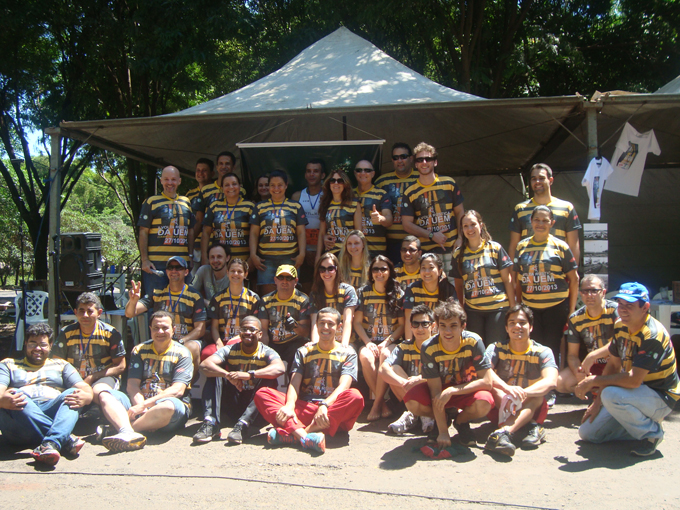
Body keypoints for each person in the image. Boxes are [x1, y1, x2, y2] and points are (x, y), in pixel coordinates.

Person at [577, 283, 680, 457]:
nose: (623, 310)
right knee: (588, 433)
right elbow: (613, 365)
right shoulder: (620, 325)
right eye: (620, 304)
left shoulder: (652, 335)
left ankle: (652, 434)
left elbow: (633, 380)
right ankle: (639, 427)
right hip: (633, 395)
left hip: (661, 396)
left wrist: (594, 380)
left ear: (645, 307)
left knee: (611, 394)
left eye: (629, 305)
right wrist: (597, 402)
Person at [254, 308, 365, 454]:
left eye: (330, 324)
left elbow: (344, 386)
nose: (325, 327)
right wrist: (289, 405)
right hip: (304, 408)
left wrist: (324, 405)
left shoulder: (348, 353)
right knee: (263, 394)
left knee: (355, 396)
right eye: (322, 323)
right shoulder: (304, 351)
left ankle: (296, 434)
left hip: (330, 412)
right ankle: (306, 438)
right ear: (316, 325)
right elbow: (294, 383)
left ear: (339, 327)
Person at [96, 311, 194, 452]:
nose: (160, 332)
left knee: (168, 407)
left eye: (165, 328)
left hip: (167, 408)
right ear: (150, 329)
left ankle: (124, 430)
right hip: (138, 404)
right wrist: (141, 408)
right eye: (156, 328)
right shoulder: (140, 350)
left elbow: (177, 390)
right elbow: (132, 385)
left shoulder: (183, 353)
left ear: (173, 329)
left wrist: (144, 407)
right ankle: (132, 431)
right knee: (105, 395)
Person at [403, 300, 494, 448]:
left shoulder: (474, 341)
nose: (447, 332)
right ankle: (442, 420)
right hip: (440, 390)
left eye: (453, 326)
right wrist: (443, 432)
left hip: (464, 388)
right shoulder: (429, 347)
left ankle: (461, 421)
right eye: (443, 326)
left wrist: (452, 390)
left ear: (463, 326)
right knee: (411, 400)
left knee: (484, 402)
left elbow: (487, 382)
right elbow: (435, 391)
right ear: (437, 326)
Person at [0, 323, 93, 465]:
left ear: (50, 346)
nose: (37, 348)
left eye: (43, 344)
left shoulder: (61, 365)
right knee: (15, 393)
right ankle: (63, 438)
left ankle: (50, 444)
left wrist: (87, 397)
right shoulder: (8, 364)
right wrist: (2, 400)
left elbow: (84, 388)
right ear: (25, 344)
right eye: (32, 343)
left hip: (51, 410)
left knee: (74, 393)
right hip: (20, 424)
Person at [194, 316, 286, 445]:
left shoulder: (267, 351)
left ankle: (243, 426)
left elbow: (280, 368)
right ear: (239, 333)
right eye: (244, 329)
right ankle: (211, 423)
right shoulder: (230, 349)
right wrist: (228, 375)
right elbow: (205, 365)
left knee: (268, 382)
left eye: (252, 330)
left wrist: (249, 375)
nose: (247, 332)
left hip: (255, 410)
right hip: (234, 400)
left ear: (260, 334)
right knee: (214, 374)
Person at [483, 304, 558, 457]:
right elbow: (484, 371)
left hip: (530, 404)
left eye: (522, 323)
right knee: (490, 386)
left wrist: (522, 393)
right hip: (502, 404)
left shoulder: (543, 351)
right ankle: (532, 428)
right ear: (506, 328)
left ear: (531, 327)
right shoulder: (496, 348)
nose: (517, 326)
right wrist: (507, 390)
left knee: (538, 395)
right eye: (512, 323)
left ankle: (503, 433)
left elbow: (551, 381)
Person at [513, 205, 579, 366]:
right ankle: (536, 378)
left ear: (552, 223)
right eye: (537, 220)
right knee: (533, 347)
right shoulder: (521, 246)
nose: (540, 224)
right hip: (530, 308)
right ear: (531, 221)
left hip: (556, 308)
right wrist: (519, 305)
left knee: (552, 347)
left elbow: (574, 279)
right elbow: (518, 280)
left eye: (545, 220)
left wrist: (571, 310)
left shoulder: (561, 246)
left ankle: (552, 380)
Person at [125, 256, 205, 380]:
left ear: (186, 272)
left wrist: (181, 341)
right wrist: (133, 301)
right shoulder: (157, 293)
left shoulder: (195, 296)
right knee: (138, 349)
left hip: (185, 340)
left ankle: (185, 385)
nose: (174, 271)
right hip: (162, 337)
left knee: (192, 347)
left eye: (178, 268)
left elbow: (200, 329)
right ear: (166, 272)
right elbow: (130, 313)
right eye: (170, 268)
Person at [401, 142, 465, 279]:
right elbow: (406, 224)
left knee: (456, 288)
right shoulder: (409, 192)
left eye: (428, 159)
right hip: (426, 253)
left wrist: (461, 238)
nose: (424, 163)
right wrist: (431, 235)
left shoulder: (449, 183)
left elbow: (460, 212)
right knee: (431, 290)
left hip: (453, 248)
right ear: (415, 164)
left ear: (435, 162)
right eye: (420, 160)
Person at [52, 292, 126, 408]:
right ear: (75, 312)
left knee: (99, 393)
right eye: (81, 311)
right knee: (66, 395)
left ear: (99, 313)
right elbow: (56, 363)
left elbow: (120, 366)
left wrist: (93, 377)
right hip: (73, 379)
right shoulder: (66, 332)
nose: (85, 315)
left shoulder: (111, 333)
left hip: (101, 378)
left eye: (90, 311)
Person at [354, 255, 405, 421]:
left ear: (390, 271)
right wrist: (368, 342)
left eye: (384, 269)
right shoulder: (363, 292)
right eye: (376, 269)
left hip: (391, 341)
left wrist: (386, 342)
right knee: (365, 356)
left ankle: (376, 405)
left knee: (385, 355)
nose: (379, 272)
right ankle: (382, 402)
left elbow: (402, 326)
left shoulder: (398, 293)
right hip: (369, 340)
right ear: (371, 272)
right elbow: (357, 323)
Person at [451, 210, 515, 343]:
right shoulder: (458, 254)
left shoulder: (495, 248)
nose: (470, 229)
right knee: (477, 349)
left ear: (481, 225)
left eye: (473, 224)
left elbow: (507, 280)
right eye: (465, 226)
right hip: (473, 311)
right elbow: (459, 286)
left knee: (494, 348)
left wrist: (513, 309)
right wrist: (461, 310)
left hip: (498, 309)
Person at [137, 165, 195, 298]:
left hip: (181, 264)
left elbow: (190, 231)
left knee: (182, 302)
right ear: (161, 181)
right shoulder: (151, 202)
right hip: (157, 265)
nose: (170, 183)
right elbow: (143, 231)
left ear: (179, 181)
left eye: (173, 179)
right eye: (166, 179)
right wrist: (144, 260)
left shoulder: (186, 202)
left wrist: (190, 256)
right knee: (156, 303)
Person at [380, 304, 436, 435]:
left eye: (425, 324)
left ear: (433, 326)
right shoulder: (404, 347)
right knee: (393, 368)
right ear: (410, 326)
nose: (420, 328)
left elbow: (445, 374)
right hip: (410, 392)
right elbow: (383, 370)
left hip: (432, 394)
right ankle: (418, 414)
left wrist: (419, 379)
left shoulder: (439, 346)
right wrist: (405, 383)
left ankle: (415, 415)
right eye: (416, 324)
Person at [556, 275, 618, 395]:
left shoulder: (615, 311)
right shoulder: (575, 318)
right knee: (560, 383)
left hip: (615, 364)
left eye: (594, 291)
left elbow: (620, 342)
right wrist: (578, 372)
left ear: (603, 292)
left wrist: (593, 356)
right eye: (585, 291)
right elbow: (572, 355)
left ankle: (602, 394)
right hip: (593, 366)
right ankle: (596, 392)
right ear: (580, 294)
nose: (589, 295)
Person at [250, 170, 308, 296]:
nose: (276, 188)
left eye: (280, 185)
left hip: (290, 258)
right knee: (268, 299)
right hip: (265, 261)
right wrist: (253, 255)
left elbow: (301, 233)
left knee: (289, 297)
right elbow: (254, 233)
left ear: (286, 185)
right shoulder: (259, 207)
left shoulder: (295, 206)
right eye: (272, 185)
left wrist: (302, 254)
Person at [508, 163, 581, 263]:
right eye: (534, 179)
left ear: (550, 180)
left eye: (541, 178)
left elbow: (573, 245)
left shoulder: (566, 208)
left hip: (558, 268)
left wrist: (572, 271)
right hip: (527, 268)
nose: (537, 182)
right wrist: (513, 271)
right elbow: (514, 246)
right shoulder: (520, 209)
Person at [204, 258, 267, 360]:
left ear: (245, 274)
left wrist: (235, 341)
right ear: (227, 273)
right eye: (232, 271)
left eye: (239, 271)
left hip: (244, 340)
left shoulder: (253, 298)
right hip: (222, 340)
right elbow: (214, 327)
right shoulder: (218, 298)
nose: (236, 274)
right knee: (206, 353)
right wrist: (219, 343)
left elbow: (255, 327)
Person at [374, 142, 419, 264]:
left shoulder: (420, 177)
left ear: (411, 158)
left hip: (417, 241)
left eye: (403, 156)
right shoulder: (382, 181)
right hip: (391, 243)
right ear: (392, 160)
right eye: (396, 157)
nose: (399, 160)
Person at [261, 265, 311, 369]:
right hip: (273, 344)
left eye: (289, 278)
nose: (284, 281)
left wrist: (295, 326)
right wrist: (264, 352)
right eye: (281, 277)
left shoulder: (303, 300)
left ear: (296, 281)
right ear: (275, 280)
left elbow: (306, 332)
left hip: (294, 344)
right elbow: (263, 331)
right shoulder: (266, 300)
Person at [201, 172, 255, 266]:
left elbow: (254, 234)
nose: (231, 187)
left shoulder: (250, 206)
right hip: (218, 263)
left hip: (242, 263)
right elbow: (206, 232)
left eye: (234, 184)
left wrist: (251, 258)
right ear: (222, 188)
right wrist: (204, 257)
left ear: (240, 186)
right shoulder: (214, 206)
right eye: (227, 185)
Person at [403, 253, 457, 341]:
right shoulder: (412, 289)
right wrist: (408, 343)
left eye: (431, 267)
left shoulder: (448, 290)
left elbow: (453, 319)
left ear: (440, 271)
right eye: (423, 268)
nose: (427, 271)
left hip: (442, 339)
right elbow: (408, 319)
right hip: (419, 338)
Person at [308, 252, 358, 347]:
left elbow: (347, 320)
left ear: (336, 269)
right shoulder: (315, 294)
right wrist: (315, 344)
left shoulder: (348, 291)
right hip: (323, 343)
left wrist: (344, 345)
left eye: (330, 269)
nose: (326, 273)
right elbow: (315, 322)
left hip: (346, 342)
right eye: (322, 269)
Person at [292, 159, 325, 292]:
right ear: (305, 175)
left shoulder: (328, 195)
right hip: (302, 250)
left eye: (316, 171)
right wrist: (304, 251)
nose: (312, 174)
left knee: (322, 285)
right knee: (305, 286)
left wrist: (318, 252)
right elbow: (293, 226)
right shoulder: (297, 196)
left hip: (323, 249)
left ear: (322, 175)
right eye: (309, 171)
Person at [317, 170, 362, 260]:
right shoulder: (325, 204)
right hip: (331, 255)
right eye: (332, 180)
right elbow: (322, 233)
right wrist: (318, 257)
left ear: (345, 184)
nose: (336, 183)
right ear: (329, 184)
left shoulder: (354, 204)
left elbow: (358, 233)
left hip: (349, 253)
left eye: (340, 181)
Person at [353, 159, 392, 258]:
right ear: (355, 173)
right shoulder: (349, 194)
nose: (363, 173)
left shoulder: (381, 194)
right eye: (359, 170)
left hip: (376, 251)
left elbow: (389, 220)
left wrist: (380, 218)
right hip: (353, 251)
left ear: (373, 174)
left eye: (367, 170)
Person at [186, 158, 214, 275]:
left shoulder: (218, 192)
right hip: (194, 245)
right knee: (194, 280)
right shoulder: (189, 194)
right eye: (198, 170)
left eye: (204, 170)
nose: (200, 173)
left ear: (212, 173)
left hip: (212, 244)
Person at [192, 243, 231, 308]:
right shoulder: (204, 270)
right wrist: (205, 302)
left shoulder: (234, 275)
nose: (215, 260)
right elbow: (190, 292)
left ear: (227, 258)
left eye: (219, 257)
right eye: (212, 257)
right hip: (207, 310)